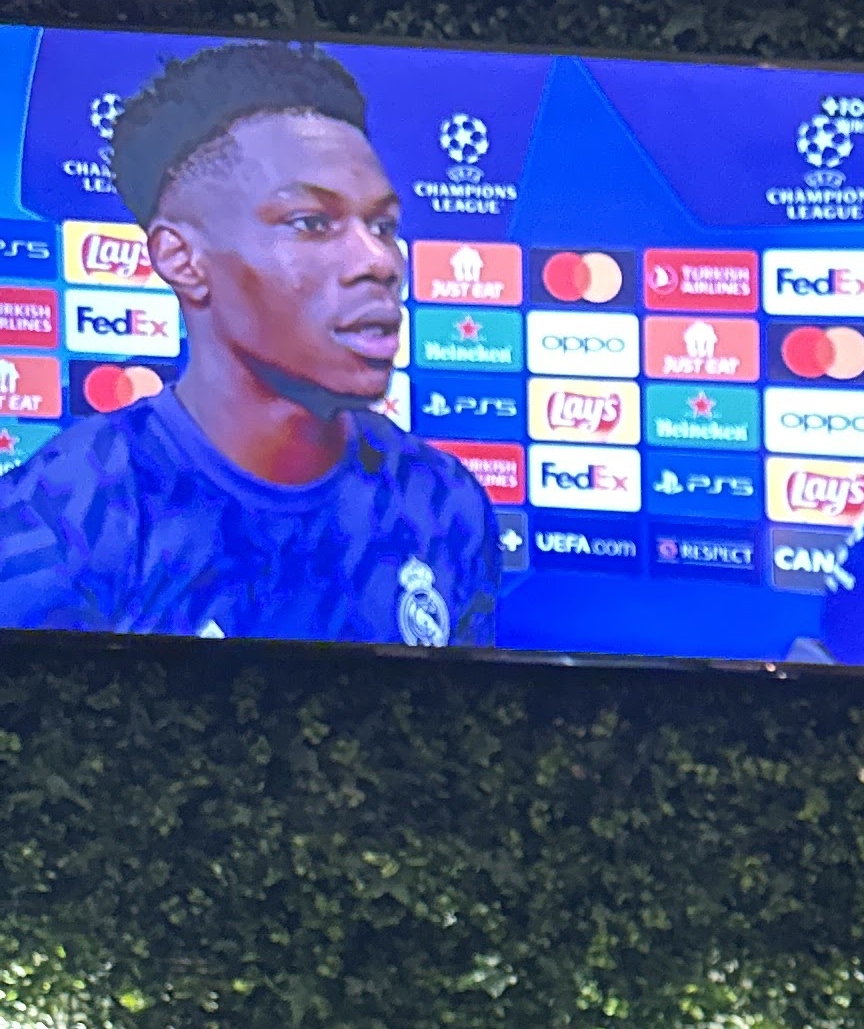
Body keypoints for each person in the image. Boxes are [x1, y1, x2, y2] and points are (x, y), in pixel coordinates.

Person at [0, 39, 500, 648]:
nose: (380, 261)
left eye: (383, 226)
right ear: (183, 259)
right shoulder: (59, 525)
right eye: (312, 223)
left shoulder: (442, 502)